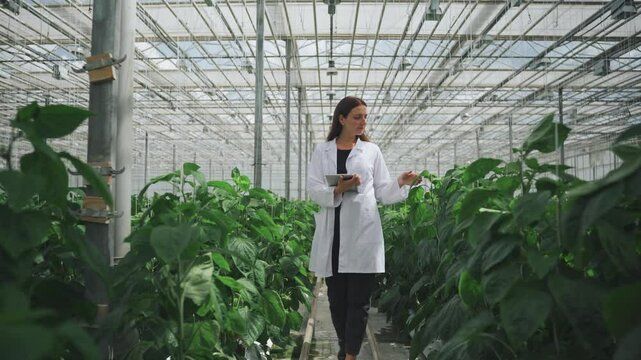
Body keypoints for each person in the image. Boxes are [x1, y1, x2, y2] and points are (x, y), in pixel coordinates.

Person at [307, 96, 420, 360]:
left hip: (363, 233)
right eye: (357, 117)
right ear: (342, 119)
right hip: (333, 235)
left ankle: (350, 355)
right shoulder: (321, 151)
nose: (363, 122)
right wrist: (338, 189)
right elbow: (313, 189)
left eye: (365, 117)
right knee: (337, 303)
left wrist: (400, 183)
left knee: (358, 303)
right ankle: (345, 348)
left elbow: (382, 191)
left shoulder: (371, 151)